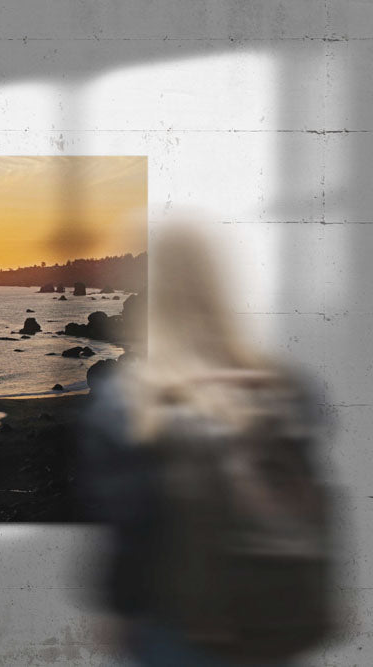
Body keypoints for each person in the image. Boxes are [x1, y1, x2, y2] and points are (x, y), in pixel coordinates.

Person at [79, 222, 336, 666]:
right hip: (275, 617)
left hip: (179, 627)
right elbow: (315, 496)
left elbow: (128, 531)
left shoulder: (130, 401)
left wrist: (119, 611)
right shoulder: (288, 388)